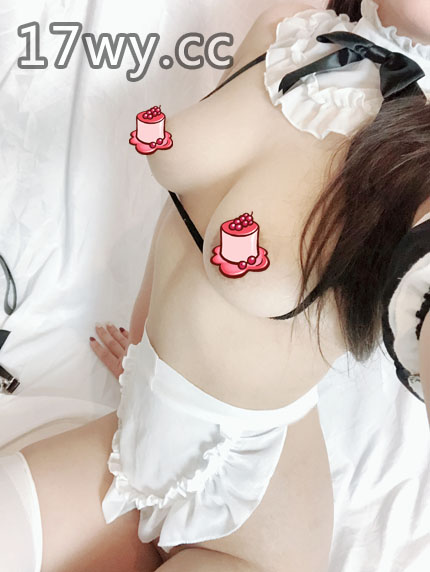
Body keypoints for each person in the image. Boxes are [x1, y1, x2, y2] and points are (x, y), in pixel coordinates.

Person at [0, 0, 429, 570]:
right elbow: (183, 208)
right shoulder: (287, 28)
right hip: (132, 440)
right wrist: (149, 352)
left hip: (254, 512)